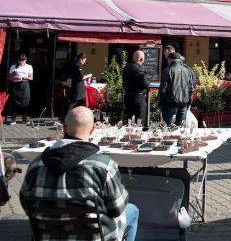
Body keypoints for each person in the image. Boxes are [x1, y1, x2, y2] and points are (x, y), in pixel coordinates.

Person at [20, 107, 139, 241]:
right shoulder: (103, 166)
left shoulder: (35, 165)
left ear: (64, 128)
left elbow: (26, 205)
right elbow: (116, 208)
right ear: (93, 129)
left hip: (47, 236)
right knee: (132, 210)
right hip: (94, 236)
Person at [158, 53, 194, 126]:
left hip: (169, 103)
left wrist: (160, 102)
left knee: (166, 128)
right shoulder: (187, 71)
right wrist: (189, 102)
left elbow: (163, 88)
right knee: (180, 128)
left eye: (168, 60)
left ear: (170, 60)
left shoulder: (167, 70)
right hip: (183, 104)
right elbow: (191, 88)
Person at [122, 50, 150, 126]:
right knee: (139, 122)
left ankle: (128, 136)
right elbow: (146, 84)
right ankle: (137, 136)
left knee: (129, 120)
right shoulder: (138, 69)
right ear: (141, 59)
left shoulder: (126, 67)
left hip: (127, 97)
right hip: (138, 98)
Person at [6, 54, 32, 124]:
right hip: (16, 85)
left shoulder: (29, 67)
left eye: (23, 60)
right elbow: (9, 78)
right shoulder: (14, 66)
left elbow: (31, 78)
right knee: (14, 102)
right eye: (20, 60)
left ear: (25, 60)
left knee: (26, 101)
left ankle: (24, 118)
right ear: (18, 60)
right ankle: (13, 119)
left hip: (24, 84)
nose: (21, 62)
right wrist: (14, 75)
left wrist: (24, 77)